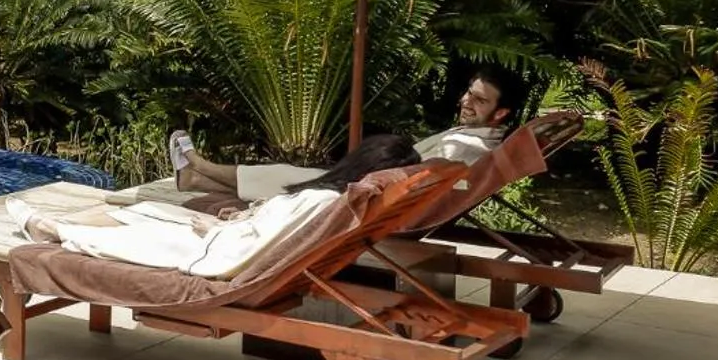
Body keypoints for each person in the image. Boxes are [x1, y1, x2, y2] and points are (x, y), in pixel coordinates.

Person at [24, 135, 422, 278]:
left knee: (151, 230)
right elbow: (275, 233)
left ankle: (56, 231)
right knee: (150, 215)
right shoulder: (336, 201)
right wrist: (241, 219)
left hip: (229, 254)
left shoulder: (319, 199)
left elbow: (262, 242)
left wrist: (222, 230)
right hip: (244, 242)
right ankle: (61, 227)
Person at [169, 64, 527, 202]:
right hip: (376, 186)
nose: (466, 101)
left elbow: (420, 182)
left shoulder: (464, 148)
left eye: (479, 100)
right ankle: (194, 178)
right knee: (288, 177)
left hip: (373, 197)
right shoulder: (479, 138)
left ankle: (199, 165)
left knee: (287, 180)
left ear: (502, 112)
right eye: (469, 92)